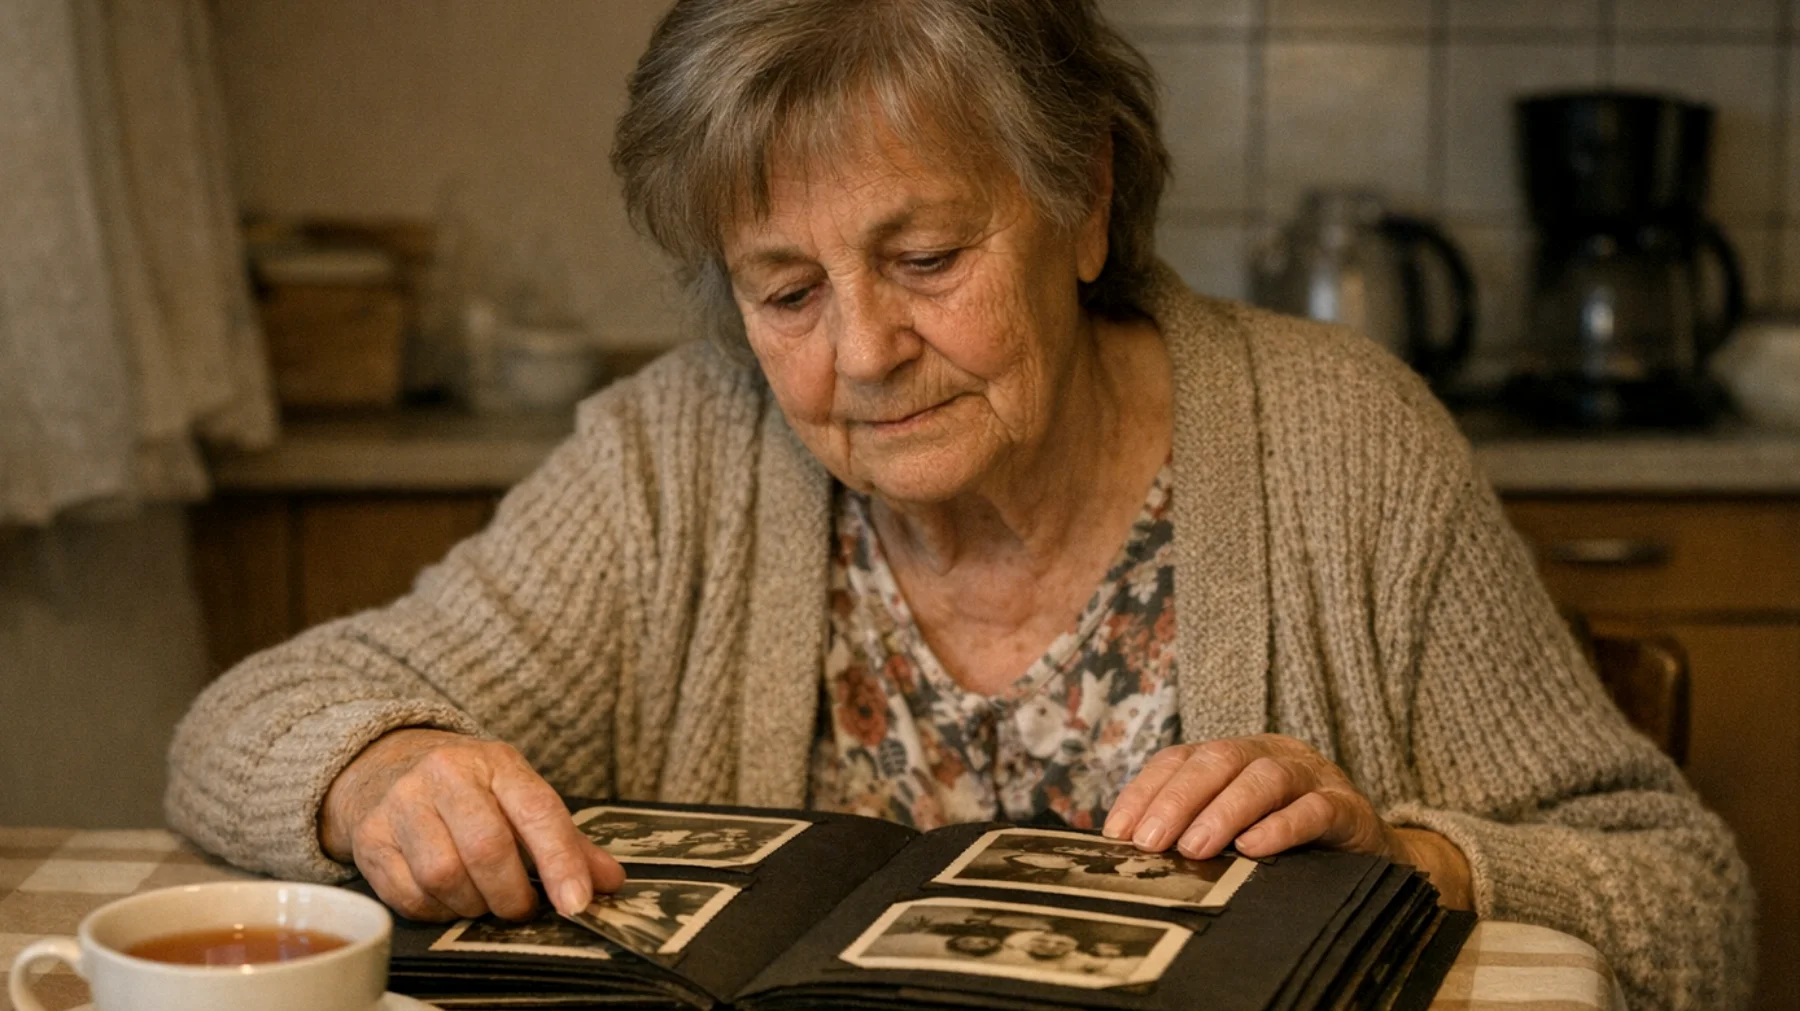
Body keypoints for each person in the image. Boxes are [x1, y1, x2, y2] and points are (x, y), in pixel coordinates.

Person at [163, 1, 1751, 1007]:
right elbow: (248, 721)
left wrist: (1418, 857)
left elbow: (1688, 900)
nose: (863, 353)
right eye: (784, 287)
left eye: (928, 259)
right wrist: (380, 770)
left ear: (1083, 203)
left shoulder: (1343, 444)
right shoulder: (682, 455)